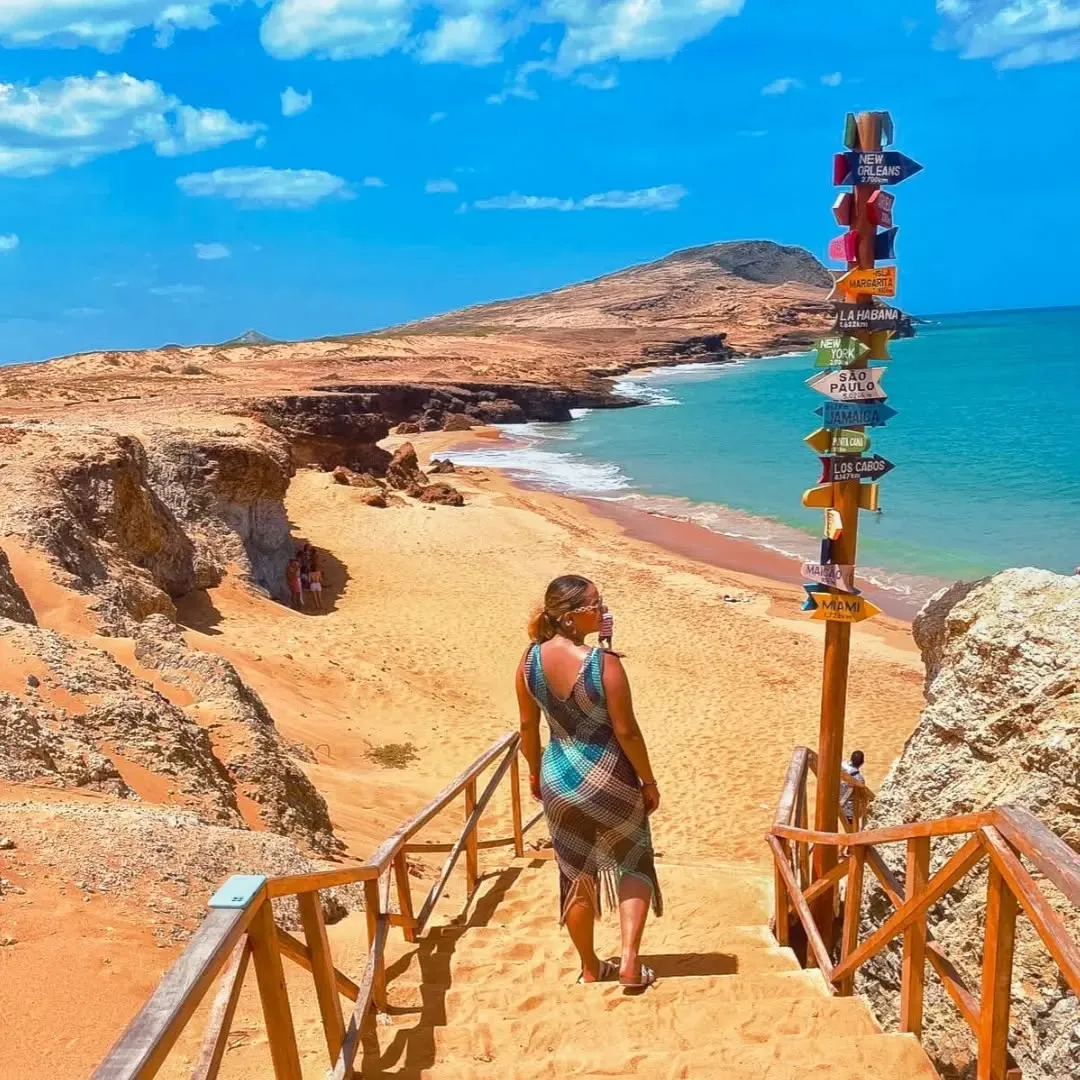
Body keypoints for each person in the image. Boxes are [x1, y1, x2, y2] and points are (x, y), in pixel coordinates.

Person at [515, 575, 662, 989]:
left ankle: (590, 967)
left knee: (576, 873)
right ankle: (630, 963)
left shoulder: (528, 663)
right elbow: (627, 731)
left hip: (558, 775)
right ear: (568, 617)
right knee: (633, 859)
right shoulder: (604, 664)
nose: (603, 610)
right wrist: (648, 781)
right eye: (595, 604)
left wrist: (533, 771)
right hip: (611, 774)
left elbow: (528, 728)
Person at [840, 749, 865, 822]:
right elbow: (862, 795)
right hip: (848, 811)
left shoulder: (841, 766)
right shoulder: (859, 779)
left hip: (836, 804)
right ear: (862, 763)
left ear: (851, 759)